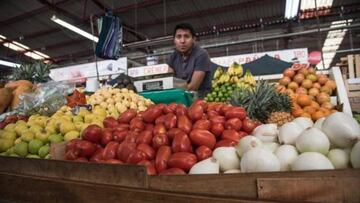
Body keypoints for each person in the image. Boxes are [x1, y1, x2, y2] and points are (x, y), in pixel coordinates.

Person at [167, 23, 212, 97]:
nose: (182, 41)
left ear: (194, 39)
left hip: (201, 98)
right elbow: (168, 81)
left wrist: (174, 91)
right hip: (181, 96)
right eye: (178, 37)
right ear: (174, 40)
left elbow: (193, 87)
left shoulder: (201, 54)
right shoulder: (173, 56)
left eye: (186, 36)